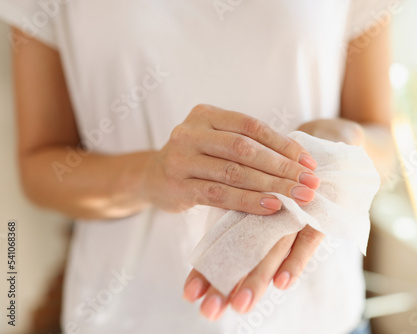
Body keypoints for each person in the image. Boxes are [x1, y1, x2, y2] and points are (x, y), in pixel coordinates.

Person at [0, 0, 395, 333]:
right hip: (128, 315)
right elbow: (41, 167)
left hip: (318, 314)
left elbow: (384, 144)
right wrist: (149, 176)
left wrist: (335, 151)